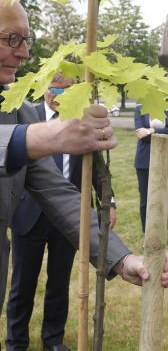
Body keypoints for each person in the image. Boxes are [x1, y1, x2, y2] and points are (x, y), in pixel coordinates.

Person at [0, 0, 168, 325]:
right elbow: (28, 140)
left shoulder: (13, 107)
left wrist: (121, 259)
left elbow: (58, 193)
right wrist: (44, 135)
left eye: (27, 40)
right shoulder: (27, 118)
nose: (25, 52)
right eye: (12, 39)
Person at [6, 74, 117, 351]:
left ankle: (52, 339)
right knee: (23, 284)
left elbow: (99, 168)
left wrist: (109, 202)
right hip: (29, 214)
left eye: (64, 89)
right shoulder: (26, 114)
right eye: (53, 88)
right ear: (44, 89)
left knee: (59, 282)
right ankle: (15, 341)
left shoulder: (82, 122)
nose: (57, 94)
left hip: (69, 217)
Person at [134, 102, 168, 232]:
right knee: (145, 198)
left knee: (164, 197)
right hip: (144, 160)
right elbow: (140, 133)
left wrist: (151, 131)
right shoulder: (140, 108)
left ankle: (161, 231)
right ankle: (146, 231)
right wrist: (163, 133)